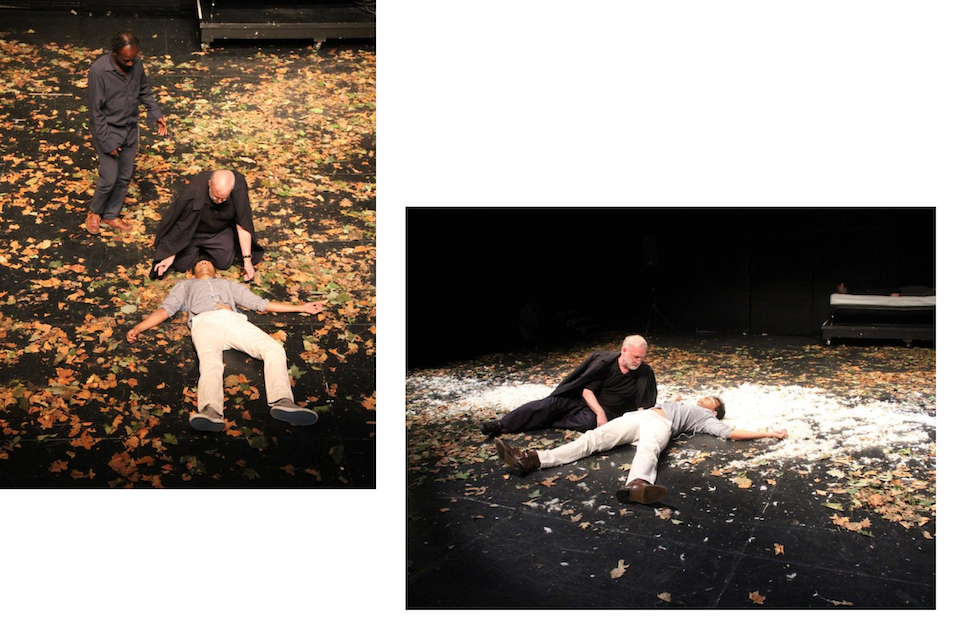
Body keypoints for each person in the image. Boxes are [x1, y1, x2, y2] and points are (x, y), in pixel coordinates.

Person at [126, 254, 322, 432]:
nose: (204, 263)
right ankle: (211, 411)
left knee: (274, 349)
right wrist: (138, 328)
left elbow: (259, 303)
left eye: (208, 262)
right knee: (210, 363)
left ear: (216, 271)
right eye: (200, 263)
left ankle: (283, 401)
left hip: (232, 320)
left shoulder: (227, 284)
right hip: (204, 322)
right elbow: (165, 310)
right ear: (191, 273)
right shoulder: (185, 286)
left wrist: (301, 307)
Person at [494, 394, 788, 504]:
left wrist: (768, 432)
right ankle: (532, 458)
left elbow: (730, 433)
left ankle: (638, 485)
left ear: (716, 410)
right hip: (638, 416)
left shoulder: (706, 417)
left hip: (660, 424)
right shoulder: (686, 402)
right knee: (592, 439)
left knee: (649, 450)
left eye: (712, 398)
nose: (707, 397)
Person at [479, 335, 657, 436]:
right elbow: (587, 390)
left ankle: (548, 422)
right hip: (584, 400)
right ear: (624, 351)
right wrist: (599, 412)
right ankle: (501, 425)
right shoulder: (606, 364)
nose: (638, 361)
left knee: (587, 422)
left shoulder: (643, 373)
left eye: (641, 357)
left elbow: (642, 402)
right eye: (635, 357)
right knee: (548, 404)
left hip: (604, 411)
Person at [85, 30, 167, 234]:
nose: (130, 64)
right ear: (115, 53)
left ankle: (111, 214)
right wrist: (108, 142)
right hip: (109, 130)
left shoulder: (136, 63)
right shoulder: (99, 71)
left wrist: (155, 113)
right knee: (109, 177)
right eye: (126, 60)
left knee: (124, 176)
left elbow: (144, 90)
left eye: (133, 59)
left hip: (130, 128)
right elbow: (95, 112)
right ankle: (95, 212)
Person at [150, 170, 264, 281]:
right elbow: (183, 224)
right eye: (216, 197)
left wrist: (247, 260)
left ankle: (212, 249)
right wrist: (171, 253)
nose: (219, 201)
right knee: (180, 266)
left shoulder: (237, 188)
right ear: (210, 184)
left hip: (219, 232)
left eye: (224, 199)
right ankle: (196, 251)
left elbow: (243, 222)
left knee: (224, 263)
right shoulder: (194, 191)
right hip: (193, 233)